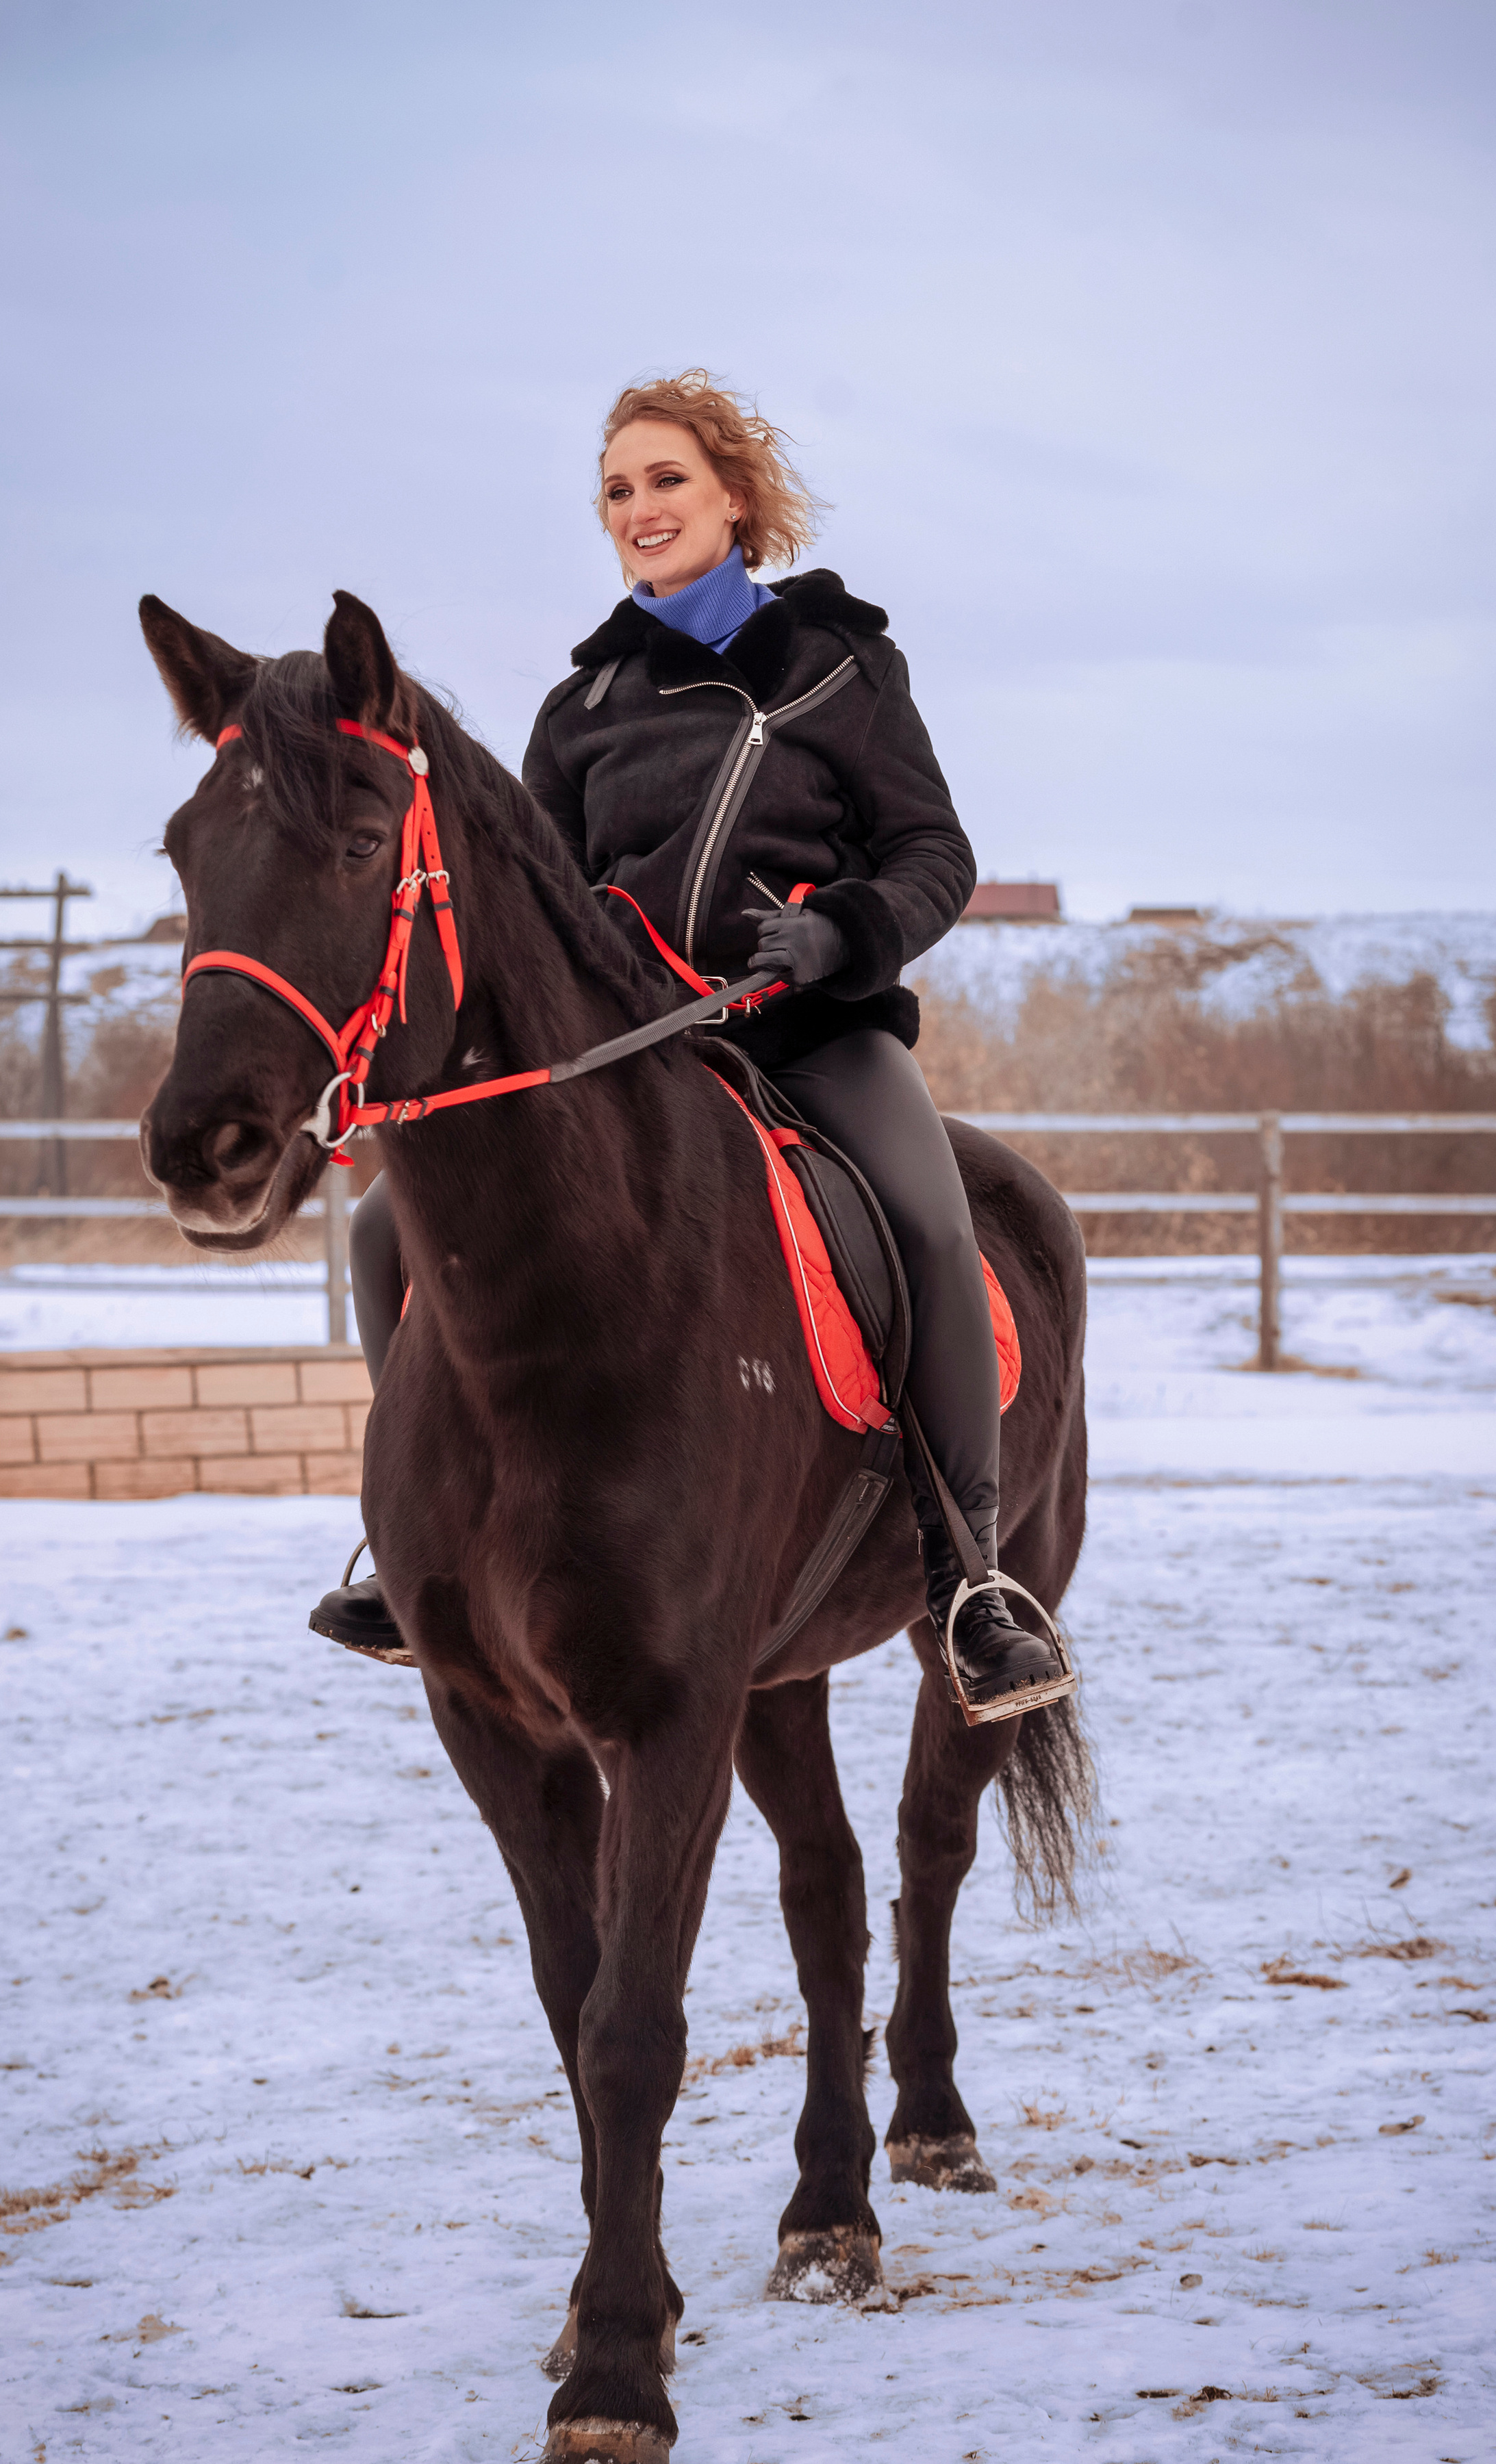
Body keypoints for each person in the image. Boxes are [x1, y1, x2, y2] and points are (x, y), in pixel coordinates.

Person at [310, 370, 1061, 1718]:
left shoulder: (839, 669)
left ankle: (968, 1578)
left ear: (731, 496)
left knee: (931, 1225)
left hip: (807, 1036)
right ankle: (413, 1545)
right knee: (380, 1231)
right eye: (614, 490)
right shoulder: (581, 706)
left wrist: (840, 933)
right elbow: (519, 901)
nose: (638, 508)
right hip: (626, 1055)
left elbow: (933, 856)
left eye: (664, 480)